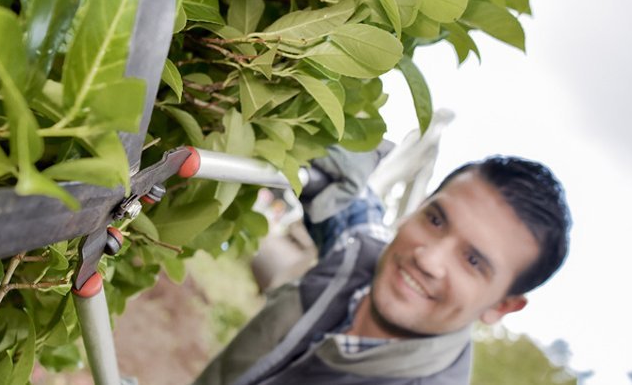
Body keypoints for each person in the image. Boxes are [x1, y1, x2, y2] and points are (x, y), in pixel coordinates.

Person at [193, 155, 571, 385]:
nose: (428, 259)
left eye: (473, 262)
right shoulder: (358, 253)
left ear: (502, 306)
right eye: (436, 220)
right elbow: (351, 198)